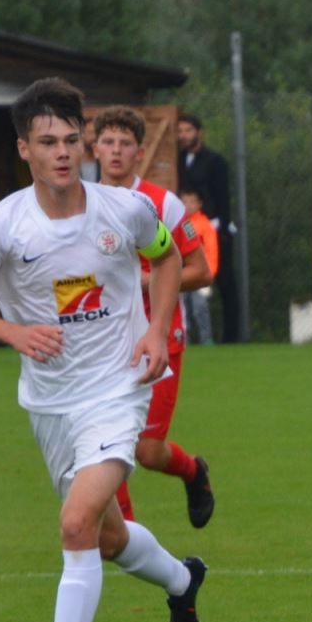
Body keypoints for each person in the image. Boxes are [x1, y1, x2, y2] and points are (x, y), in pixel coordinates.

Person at [0, 78, 207, 622]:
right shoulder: (1, 225)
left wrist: (156, 331)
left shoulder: (125, 209)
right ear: (24, 149)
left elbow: (169, 259)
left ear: (82, 144)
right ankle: (181, 581)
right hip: (51, 403)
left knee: (76, 522)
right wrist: (14, 333)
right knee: (108, 536)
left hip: (119, 390)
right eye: (47, 142)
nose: (62, 153)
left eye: (70, 140)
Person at [92, 107, 217, 529]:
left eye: (125, 143)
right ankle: (127, 535)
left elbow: (201, 271)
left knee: (147, 451)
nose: (116, 150)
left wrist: (149, 280)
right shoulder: (81, 205)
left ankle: (193, 471)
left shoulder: (163, 204)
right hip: (104, 342)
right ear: (94, 149)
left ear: (140, 152)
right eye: (108, 142)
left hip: (160, 337)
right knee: (107, 444)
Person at [175, 113, 236, 342]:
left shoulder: (215, 161)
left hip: (213, 228)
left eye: (188, 130)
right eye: (180, 131)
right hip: (187, 229)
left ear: (199, 133)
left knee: (225, 283)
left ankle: (231, 337)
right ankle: (187, 335)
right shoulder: (178, 160)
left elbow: (223, 195)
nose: (183, 135)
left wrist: (221, 226)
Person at [179, 187, 219, 344]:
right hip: (181, 274)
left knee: (199, 307)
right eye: (185, 201)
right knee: (183, 309)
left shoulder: (204, 225)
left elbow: (211, 251)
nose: (188, 205)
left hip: (200, 274)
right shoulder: (178, 223)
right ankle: (184, 339)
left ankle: (206, 339)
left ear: (199, 204)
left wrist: (209, 273)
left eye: (192, 201)